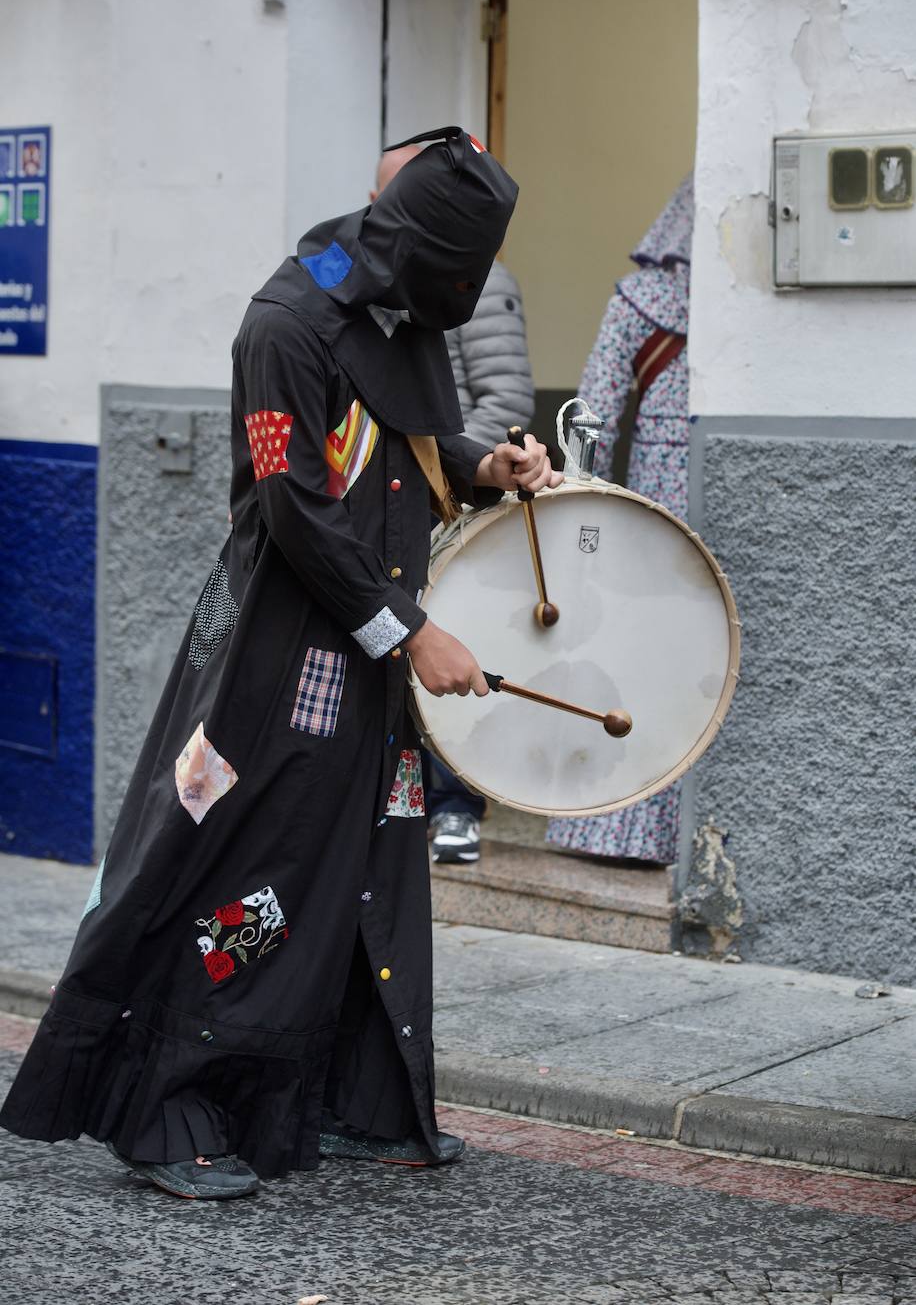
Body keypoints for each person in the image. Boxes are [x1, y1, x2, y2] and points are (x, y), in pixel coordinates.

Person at [0, 127, 562, 1200]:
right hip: (281, 649)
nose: (464, 295)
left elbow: (401, 434)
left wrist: (486, 464)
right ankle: (169, 1109)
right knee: (250, 865)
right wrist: (411, 628)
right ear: (418, 252)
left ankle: (349, 1098)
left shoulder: (392, 304)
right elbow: (294, 506)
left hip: (367, 649)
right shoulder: (287, 320)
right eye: (458, 278)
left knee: (366, 861)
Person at [373, 144, 536, 865]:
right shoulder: (327, 306)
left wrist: (469, 468)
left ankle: (454, 804)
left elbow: (504, 396)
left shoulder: (477, 285)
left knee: (449, 641)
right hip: (399, 504)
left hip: (448, 501)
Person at [546, 175, 693, 865]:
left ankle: (612, 828)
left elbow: (593, 411)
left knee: (638, 654)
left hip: (656, 507)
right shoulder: (754, 306)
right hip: (714, 501)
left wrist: (582, 507)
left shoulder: (640, 300)